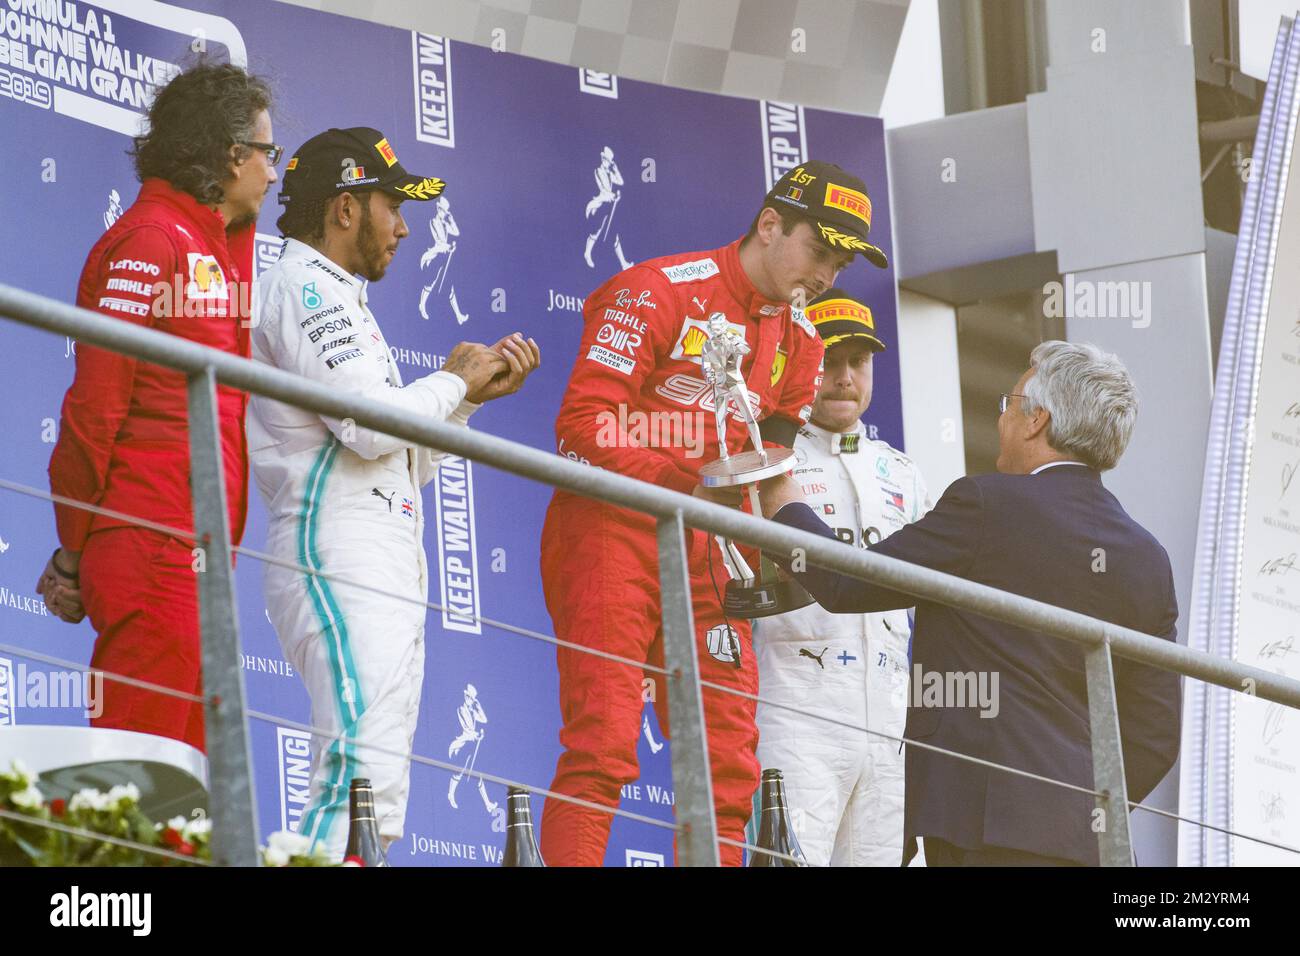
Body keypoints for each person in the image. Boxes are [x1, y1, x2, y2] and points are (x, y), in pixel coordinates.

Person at [541, 160, 890, 866]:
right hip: (612, 526)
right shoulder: (656, 289)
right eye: (819, 249)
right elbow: (585, 420)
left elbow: (777, 479)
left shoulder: (803, 345)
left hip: (711, 550)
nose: (827, 272)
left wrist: (820, 562)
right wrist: (686, 485)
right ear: (769, 226)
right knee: (604, 743)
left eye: (842, 259)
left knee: (728, 769)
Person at [761, 341, 1181, 866]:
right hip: (1092, 845)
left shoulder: (987, 505)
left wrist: (783, 508)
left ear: (1036, 421)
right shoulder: (1148, 556)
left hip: (982, 832)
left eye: (1008, 403)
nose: (1001, 417)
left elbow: (849, 585)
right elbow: (1156, 734)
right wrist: (1084, 811)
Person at [249, 127, 540, 861]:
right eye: (393, 207)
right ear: (345, 208)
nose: (406, 228)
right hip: (336, 546)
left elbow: (397, 465)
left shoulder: (339, 296)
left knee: (374, 787)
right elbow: (367, 429)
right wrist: (452, 382)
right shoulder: (306, 284)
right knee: (353, 778)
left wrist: (465, 404)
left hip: (374, 545)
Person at [37, 62, 278, 751]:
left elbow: (233, 233)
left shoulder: (209, 244)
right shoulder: (150, 239)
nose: (274, 173)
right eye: (267, 154)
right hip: (151, 552)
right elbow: (95, 405)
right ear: (231, 156)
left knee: (190, 807)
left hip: (198, 562)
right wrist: (75, 549)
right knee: (142, 783)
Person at [753, 289, 930, 867]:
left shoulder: (902, 471)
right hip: (794, 706)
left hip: (889, 720)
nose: (843, 377)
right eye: (829, 360)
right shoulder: (767, 461)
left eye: (858, 362)